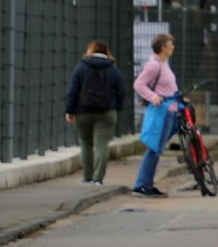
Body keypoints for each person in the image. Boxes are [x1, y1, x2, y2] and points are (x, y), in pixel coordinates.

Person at [65, 39, 126, 185]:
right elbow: (121, 91)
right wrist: (116, 106)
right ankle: (98, 179)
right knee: (102, 145)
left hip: (83, 111)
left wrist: (69, 110)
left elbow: (73, 91)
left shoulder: (81, 67)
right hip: (107, 112)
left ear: (91, 51)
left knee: (85, 143)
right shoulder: (113, 69)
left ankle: (87, 178)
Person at [131, 32, 179, 198]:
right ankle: (142, 185)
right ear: (163, 47)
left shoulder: (163, 63)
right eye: (170, 44)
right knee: (154, 148)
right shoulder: (154, 65)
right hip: (162, 111)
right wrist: (153, 97)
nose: (173, 47)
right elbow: (138, 84)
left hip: (170, 110)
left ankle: (147, 183)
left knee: (157, 149)